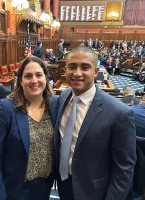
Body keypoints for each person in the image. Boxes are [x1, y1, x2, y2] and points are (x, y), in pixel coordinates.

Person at [55, 46, 136, 200]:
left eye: (85, 67)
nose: (77, 73)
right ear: (65, 69)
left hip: (96, 192)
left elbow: (124, 169)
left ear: (96, 71)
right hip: (64, 184)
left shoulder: (119, 113)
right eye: (72, 66)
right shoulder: (63, 97)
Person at [0, 56, 58, 200]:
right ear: (20, 80)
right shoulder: (6, 108)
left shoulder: (55, 105)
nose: (34, 80)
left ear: (46, 77)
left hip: (45, 185)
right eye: (28, 76)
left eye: (39, 75)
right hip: (16, 188)